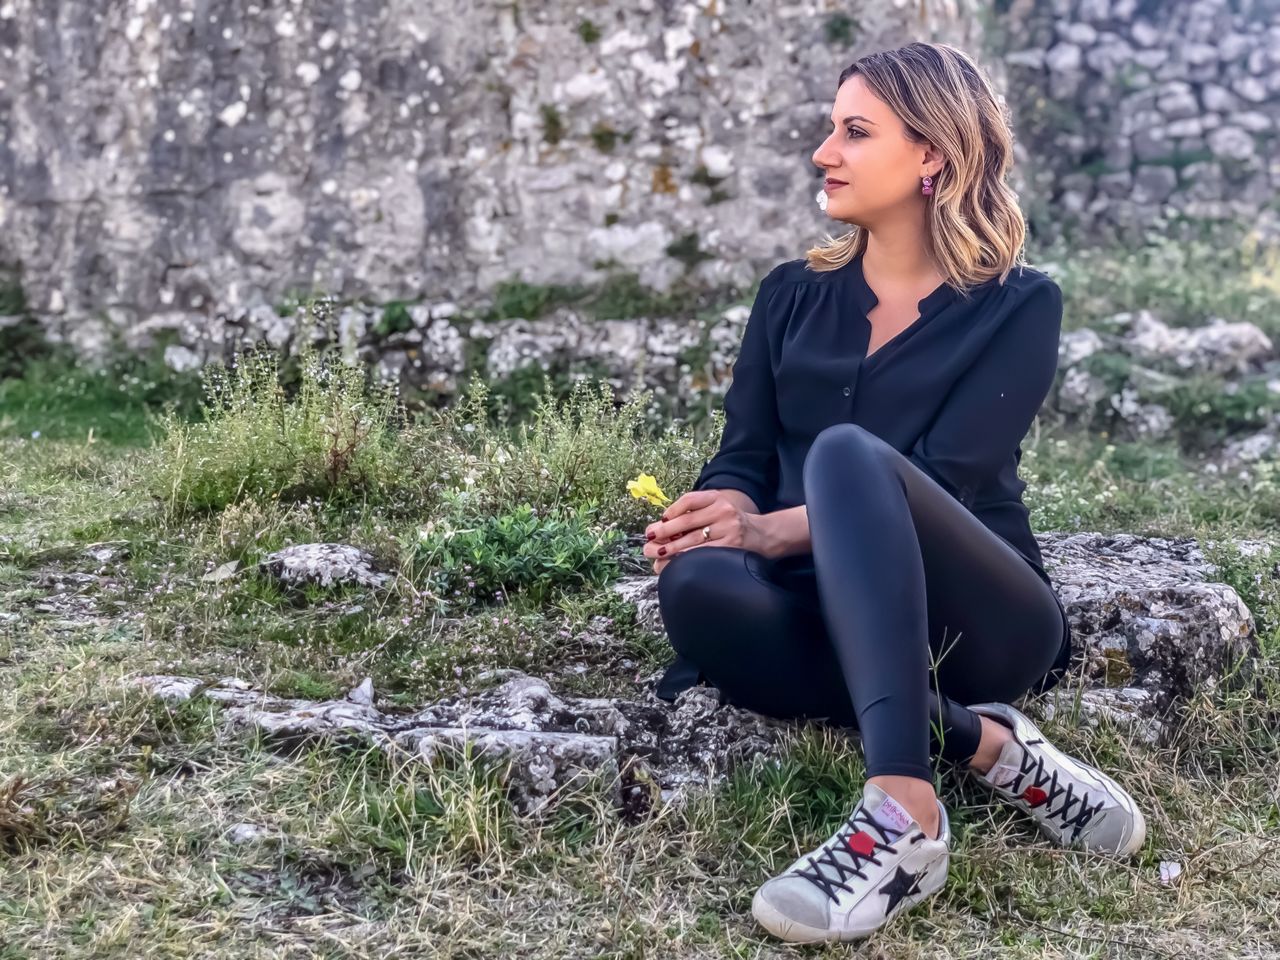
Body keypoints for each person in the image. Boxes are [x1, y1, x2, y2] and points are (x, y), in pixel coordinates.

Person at [644, 42, 1147, 945]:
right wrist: (716, 516)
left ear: (933, 157)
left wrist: (766, 532)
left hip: (977, 619)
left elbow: (949, 476)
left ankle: (904, 816)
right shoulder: (790, 296)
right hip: (821, 609)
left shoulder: (1019, 306)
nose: (822, 153)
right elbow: (744, 454)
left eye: (854, 132)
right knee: (694, 585)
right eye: (830, 130)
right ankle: (986, 746)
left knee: (847, 455)